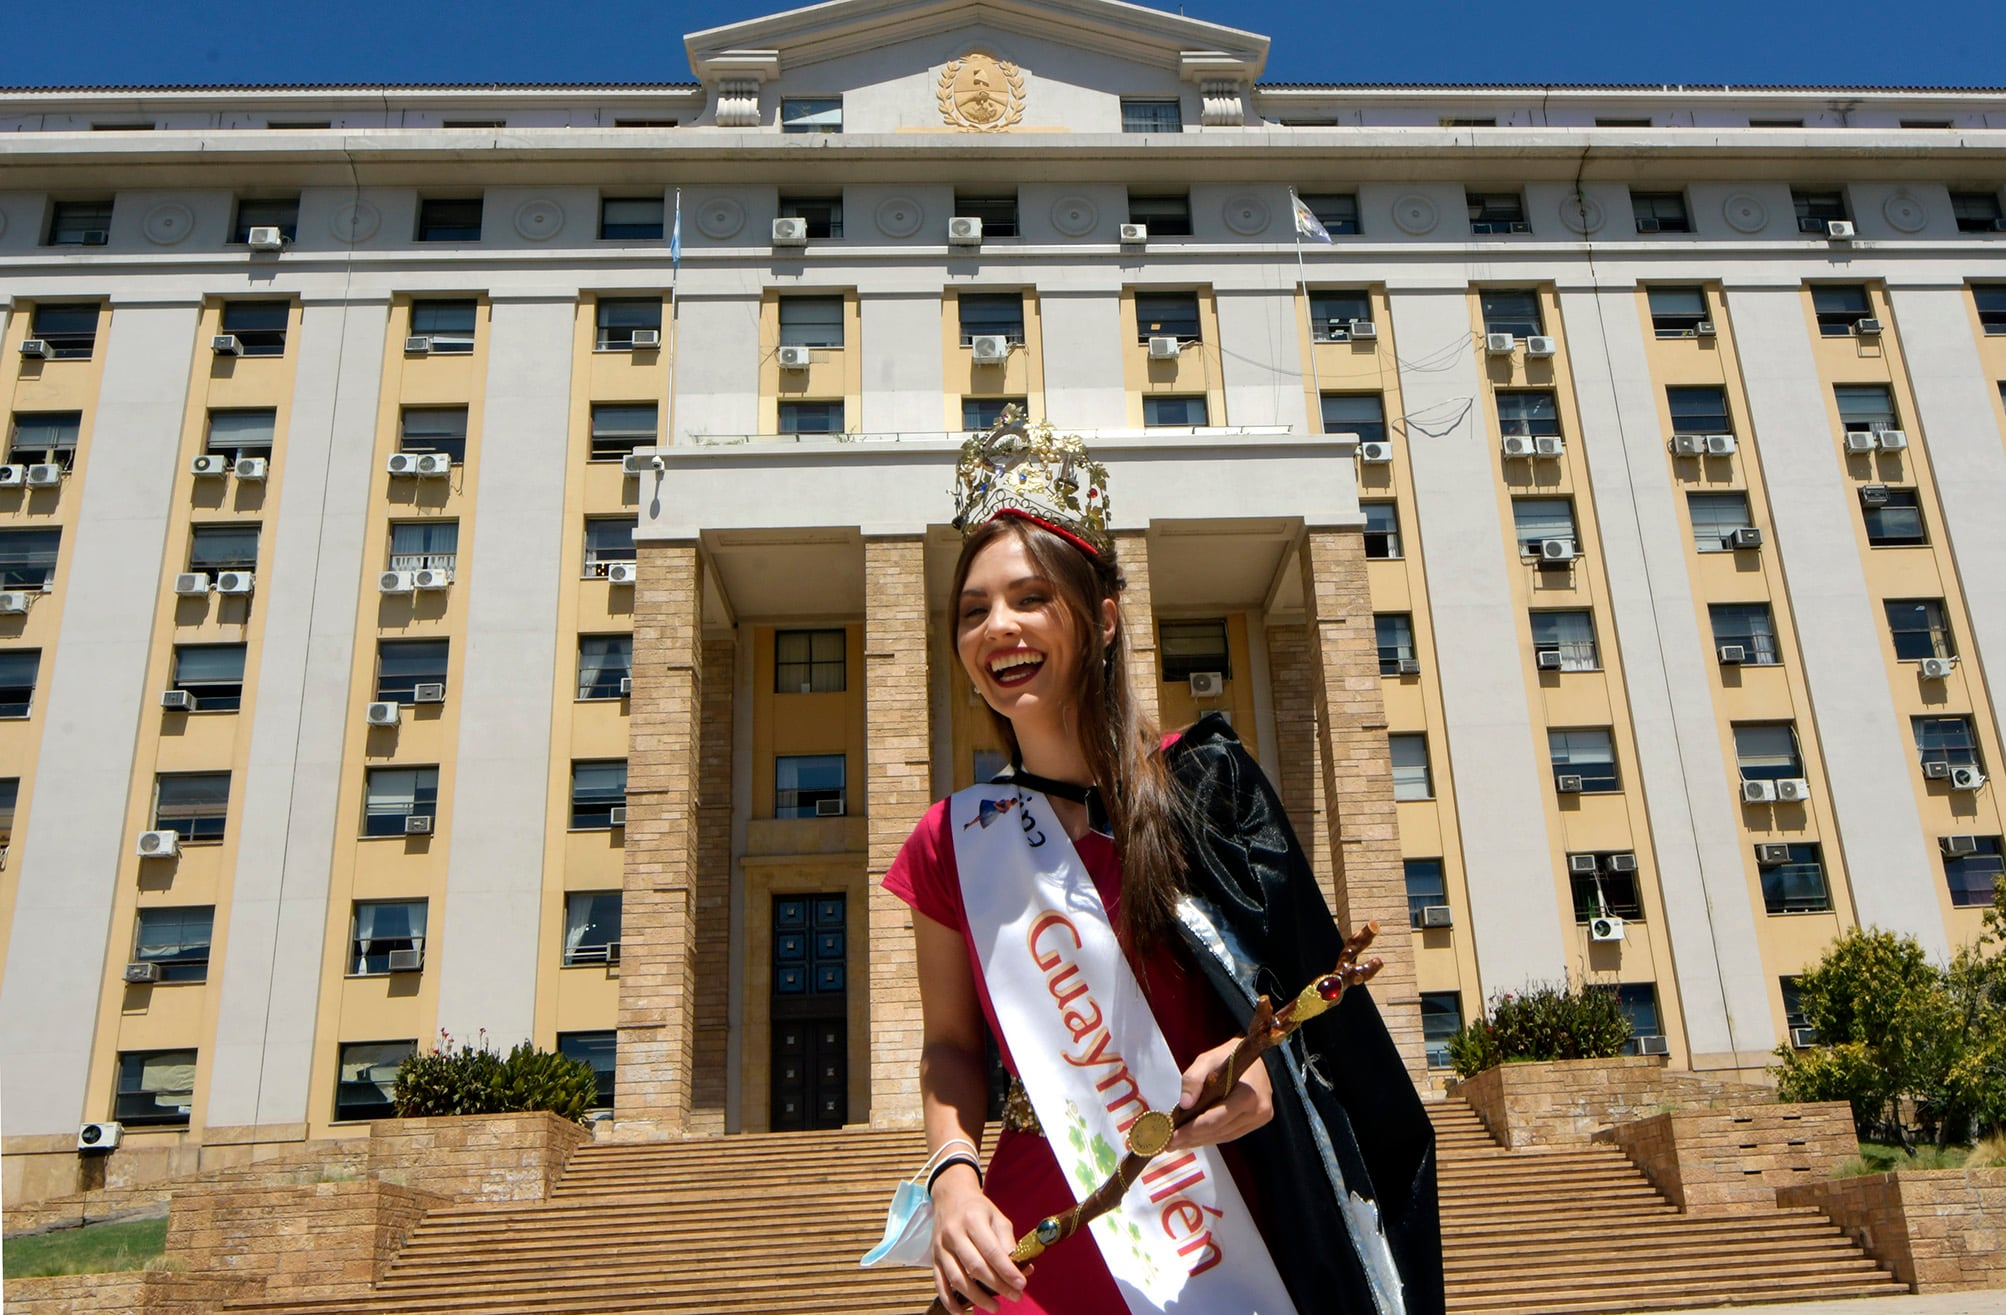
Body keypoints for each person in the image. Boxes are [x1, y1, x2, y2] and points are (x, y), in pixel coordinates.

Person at [884, 412, 1443, 1315]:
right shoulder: (951, 841)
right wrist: (951, 1177)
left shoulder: (1205, 789)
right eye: (973, 608)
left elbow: (1320, 1021)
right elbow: (952, 1045)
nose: (999, 626)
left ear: (1102, 617)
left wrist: (1264, 1075)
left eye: (1030, 597)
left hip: (1214, 1234)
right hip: (1034, 1237)